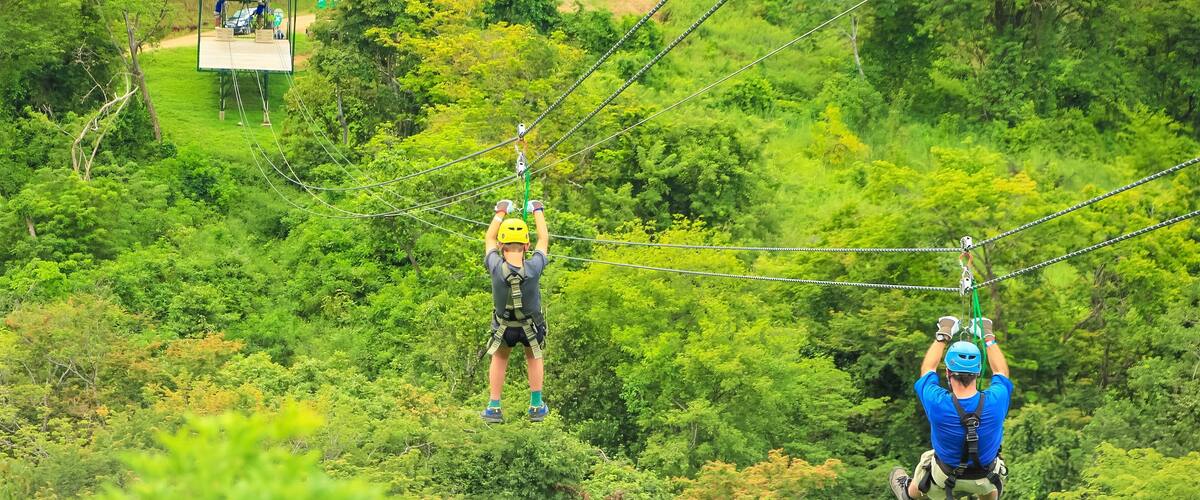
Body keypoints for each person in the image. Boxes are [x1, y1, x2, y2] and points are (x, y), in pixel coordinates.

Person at [890, 316, 1012, 500]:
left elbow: (928, 370)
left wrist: (943, 334)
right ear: (978, 372)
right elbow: (1001, 372)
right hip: (985, 478)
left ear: (947, 372)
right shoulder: (997, 399)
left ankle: (908, 493)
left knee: (927, 462)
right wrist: (988, 337)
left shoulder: (937, 401)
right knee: (989, 484)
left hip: (944, 476)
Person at [480, 199, 550, 424]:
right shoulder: (534, 267)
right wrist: (537, 210)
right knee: (534, 357)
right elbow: (544, 239)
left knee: (500, 358)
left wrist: (500, 211)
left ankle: (494, 406)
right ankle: (536, 405)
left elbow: (489, 237)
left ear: (502, 245)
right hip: (531, 326)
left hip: (504, 327)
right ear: (526, 246)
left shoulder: (494, 265)